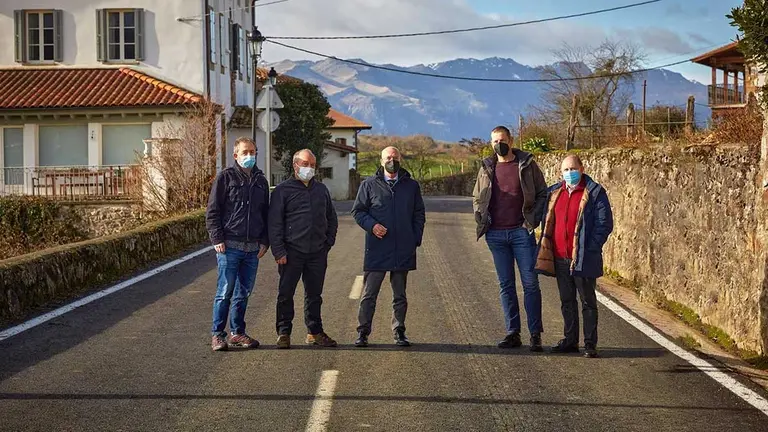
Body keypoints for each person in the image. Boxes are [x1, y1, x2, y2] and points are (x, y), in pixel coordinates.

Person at [472, 126, 548, 351]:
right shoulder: (487, 167)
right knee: (506, 285)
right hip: (495, 234)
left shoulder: (527, 164)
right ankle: (512, 332)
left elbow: (542, 192)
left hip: (521, 232)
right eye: (494, 141)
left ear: (511, 141)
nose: (498, 145)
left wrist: (531, 221)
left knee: (530, 283)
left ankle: (535, 334)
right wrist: (481, 218)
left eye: (502, 140)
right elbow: (477, 196)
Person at [535, 155, 613, 358]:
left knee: (588, 301)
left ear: (582, 168)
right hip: (560, 257)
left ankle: (590, 344)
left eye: (572, 169)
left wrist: (592, 247)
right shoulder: (554, 192)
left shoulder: (595, 192)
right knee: (566, 301)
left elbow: (604, 224)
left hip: (584, 258)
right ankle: (570, 340)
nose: (569, 173)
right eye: (565, 170)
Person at [351, 146, 426, 347]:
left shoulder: (411, 186)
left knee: (399, 295)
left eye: (395, 157)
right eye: (388, 157)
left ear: (400, 158)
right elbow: (358, 211)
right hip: (377, 247)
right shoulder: (369, 185)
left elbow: (419, 213)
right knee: (369, 294)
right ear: (381, 160)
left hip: (403, 247)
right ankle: (363, 332)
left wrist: (414, 238)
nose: (391, 160)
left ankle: (399, 332)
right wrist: (372, 226)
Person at [269, 149, 339, 349]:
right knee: (285, 294)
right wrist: (279, 251)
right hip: (291, 252)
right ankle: (284, 333)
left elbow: (331, 218)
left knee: (314, 295)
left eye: (312, 165)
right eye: (305, 164)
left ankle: (314, 332)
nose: (309, 168)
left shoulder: (321, 190)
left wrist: (328, 242)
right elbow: (274, 223)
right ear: (295, 165)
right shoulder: (282, 191)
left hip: (317, 252)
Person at [205, 137, 270, 351]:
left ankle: (238, 333)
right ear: (235, 155)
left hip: (252, 249)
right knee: (225, 291)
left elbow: (265, 214)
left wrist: (264, 241)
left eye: (252, 151)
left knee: (244, 293)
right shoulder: (225, 178)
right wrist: (217, 239)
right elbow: (212, 211)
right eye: (245, 152)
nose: (249, 155)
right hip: (229, 246)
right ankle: (217, 335)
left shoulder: (261, 181)